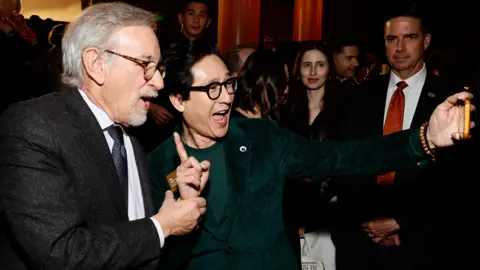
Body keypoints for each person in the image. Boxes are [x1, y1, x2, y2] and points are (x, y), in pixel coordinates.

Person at [147, 39, 474, 270]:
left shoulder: (262, 138)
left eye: (228, 85)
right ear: (178, 100)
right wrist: (181, 226)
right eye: (211, 89)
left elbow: (344, 157)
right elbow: (159, 260)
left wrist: (424, 138)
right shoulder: (155, 166)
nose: (225, 99)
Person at [0, 3, 208, 269]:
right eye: (146, 65)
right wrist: (162, 227)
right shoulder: (33, 127)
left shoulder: (131, 128)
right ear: (96, 63)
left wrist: (176, 188)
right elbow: (62, 253)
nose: (158, 82)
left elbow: (123, 213)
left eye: (158, 69)